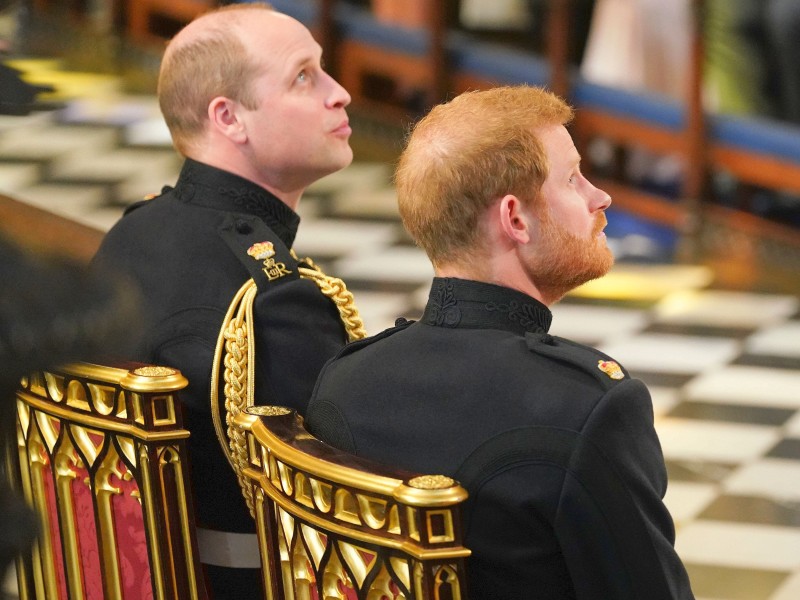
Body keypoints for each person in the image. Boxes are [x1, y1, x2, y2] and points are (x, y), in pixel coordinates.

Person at [306, 86, 695, 599]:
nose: (600, 197)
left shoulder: (342, 381)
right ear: (516, 219)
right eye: (574, 179)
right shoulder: (585, 406)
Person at [92, 3, 363, 597]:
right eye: (304, 76)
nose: (339, 93)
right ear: (229, 118)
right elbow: (340, 512)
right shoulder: (271, 300)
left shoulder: (133, 233)